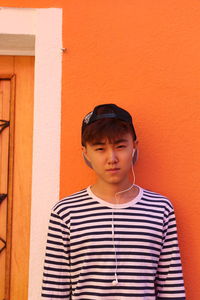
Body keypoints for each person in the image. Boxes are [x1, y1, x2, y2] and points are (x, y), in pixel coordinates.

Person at [41, 104, 186, 299]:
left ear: (134, 146)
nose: (112, 158)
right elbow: (54, 291)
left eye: (120, 146)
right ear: (85, 153)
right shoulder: (66, 212)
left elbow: (172, 289)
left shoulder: (161, 208)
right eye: (100, 148)